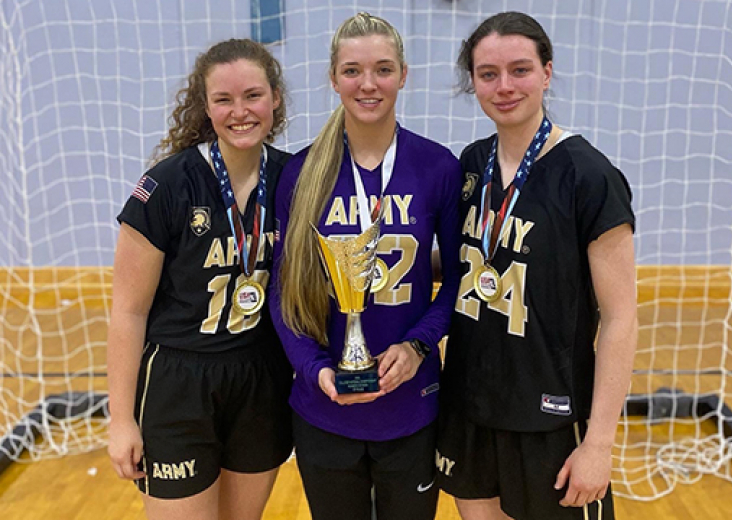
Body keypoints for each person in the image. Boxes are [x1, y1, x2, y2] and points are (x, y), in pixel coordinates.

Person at [436, 11, 638, 520]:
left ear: (547, 72)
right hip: (469, 405)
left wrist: (598, 446)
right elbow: (474, 261)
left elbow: (620, 318)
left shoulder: (588, 176)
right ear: (473, 82)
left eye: (520, 70)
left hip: (550, 416)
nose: (504, 86)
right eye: (488, 74)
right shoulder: (471, 165)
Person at [269, 12, 462, 520]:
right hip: (323, 408)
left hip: (413, 404)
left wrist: (419, 343)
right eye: (353, 70)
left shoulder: (438, 166)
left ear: (403, 75)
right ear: (333, 79)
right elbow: (282, 291)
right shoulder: (301, 172)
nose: (368, 84)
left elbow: (461, 279)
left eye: (382, 68)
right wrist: (313, 371)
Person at [107, 38, 293, 520]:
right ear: (204, 107)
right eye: (223, 100)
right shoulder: (166, 186)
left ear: (275, 97)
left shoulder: (296, 178)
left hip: (260, 377)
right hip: (178, 382)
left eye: (252, 95)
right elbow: (129, 311)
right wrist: (121, 420)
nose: (240, 112)